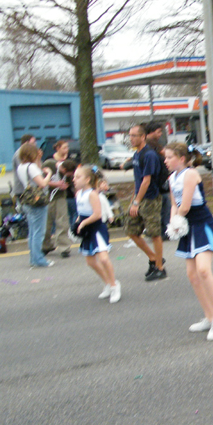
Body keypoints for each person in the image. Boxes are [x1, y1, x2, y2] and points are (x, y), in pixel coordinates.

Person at [164, 142, 213, 339]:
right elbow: (174, 205)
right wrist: (172, 222)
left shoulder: (190, 174)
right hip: (187, 227)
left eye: (169, 157)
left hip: (202, 225)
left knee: (203, 270)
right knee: (192, 275)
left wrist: (177, 219)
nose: (165, 161)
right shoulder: (171, 178)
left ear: (181, 158)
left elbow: (185, 204)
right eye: (165, 158)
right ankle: (209, 316)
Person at [72, 165, 121, 303]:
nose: (74, 180)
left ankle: (114, 286)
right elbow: (80, 212)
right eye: (74, 177)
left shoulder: (92, 194)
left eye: (77, 177)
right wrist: (77, 224)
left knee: (104, 258)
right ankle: (107, 283)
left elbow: (97, 214)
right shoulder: (78, 194)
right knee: (90, 261)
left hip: (96, 228)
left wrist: (83, 223)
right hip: (86, 228)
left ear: (87, 179)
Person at [126, 123, 167, 281]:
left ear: (143, 137)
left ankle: (160, 268)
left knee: (154, 234)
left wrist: (137, 202)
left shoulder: (149, 155)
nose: (131, 138)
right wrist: (134, 200)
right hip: (139, 198)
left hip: (150, 199)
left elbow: (146, 181)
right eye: (130, 135)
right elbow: (138, 181)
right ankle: (153, 258)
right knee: (131, 230)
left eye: (134, 135)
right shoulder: (137, 154)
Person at [16, 142, 53, 268]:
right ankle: (39, 259)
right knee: (39, 232)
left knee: (33, 231)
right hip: (37, 201)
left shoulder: (21, 166)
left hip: (28, 199)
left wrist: (38, 161)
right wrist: (49, 175)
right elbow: (42, 183)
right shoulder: (31, 167)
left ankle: (33, 257)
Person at [42, 140, 73, 258]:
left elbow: (70, 177)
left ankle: (64, 247)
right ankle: (46, 245)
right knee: (47, 222)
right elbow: (41, 180)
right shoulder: (49, 162)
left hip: (61, 196)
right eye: (64, 147)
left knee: (62, 221)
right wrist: (55, 184)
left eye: (67, 147)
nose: (67, 149)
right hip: (48, 196)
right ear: (58, 148)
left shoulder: (68, 161)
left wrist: (66, 185)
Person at [145, 121, 171, 241]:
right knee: (161, 209)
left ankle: (165, 231)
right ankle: (160, 232)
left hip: (162, 183)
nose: (160, 134)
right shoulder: (148, 146)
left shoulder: (156, 144)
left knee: (165, 208)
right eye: (159, 131)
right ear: (151, 132)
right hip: (156, 185)